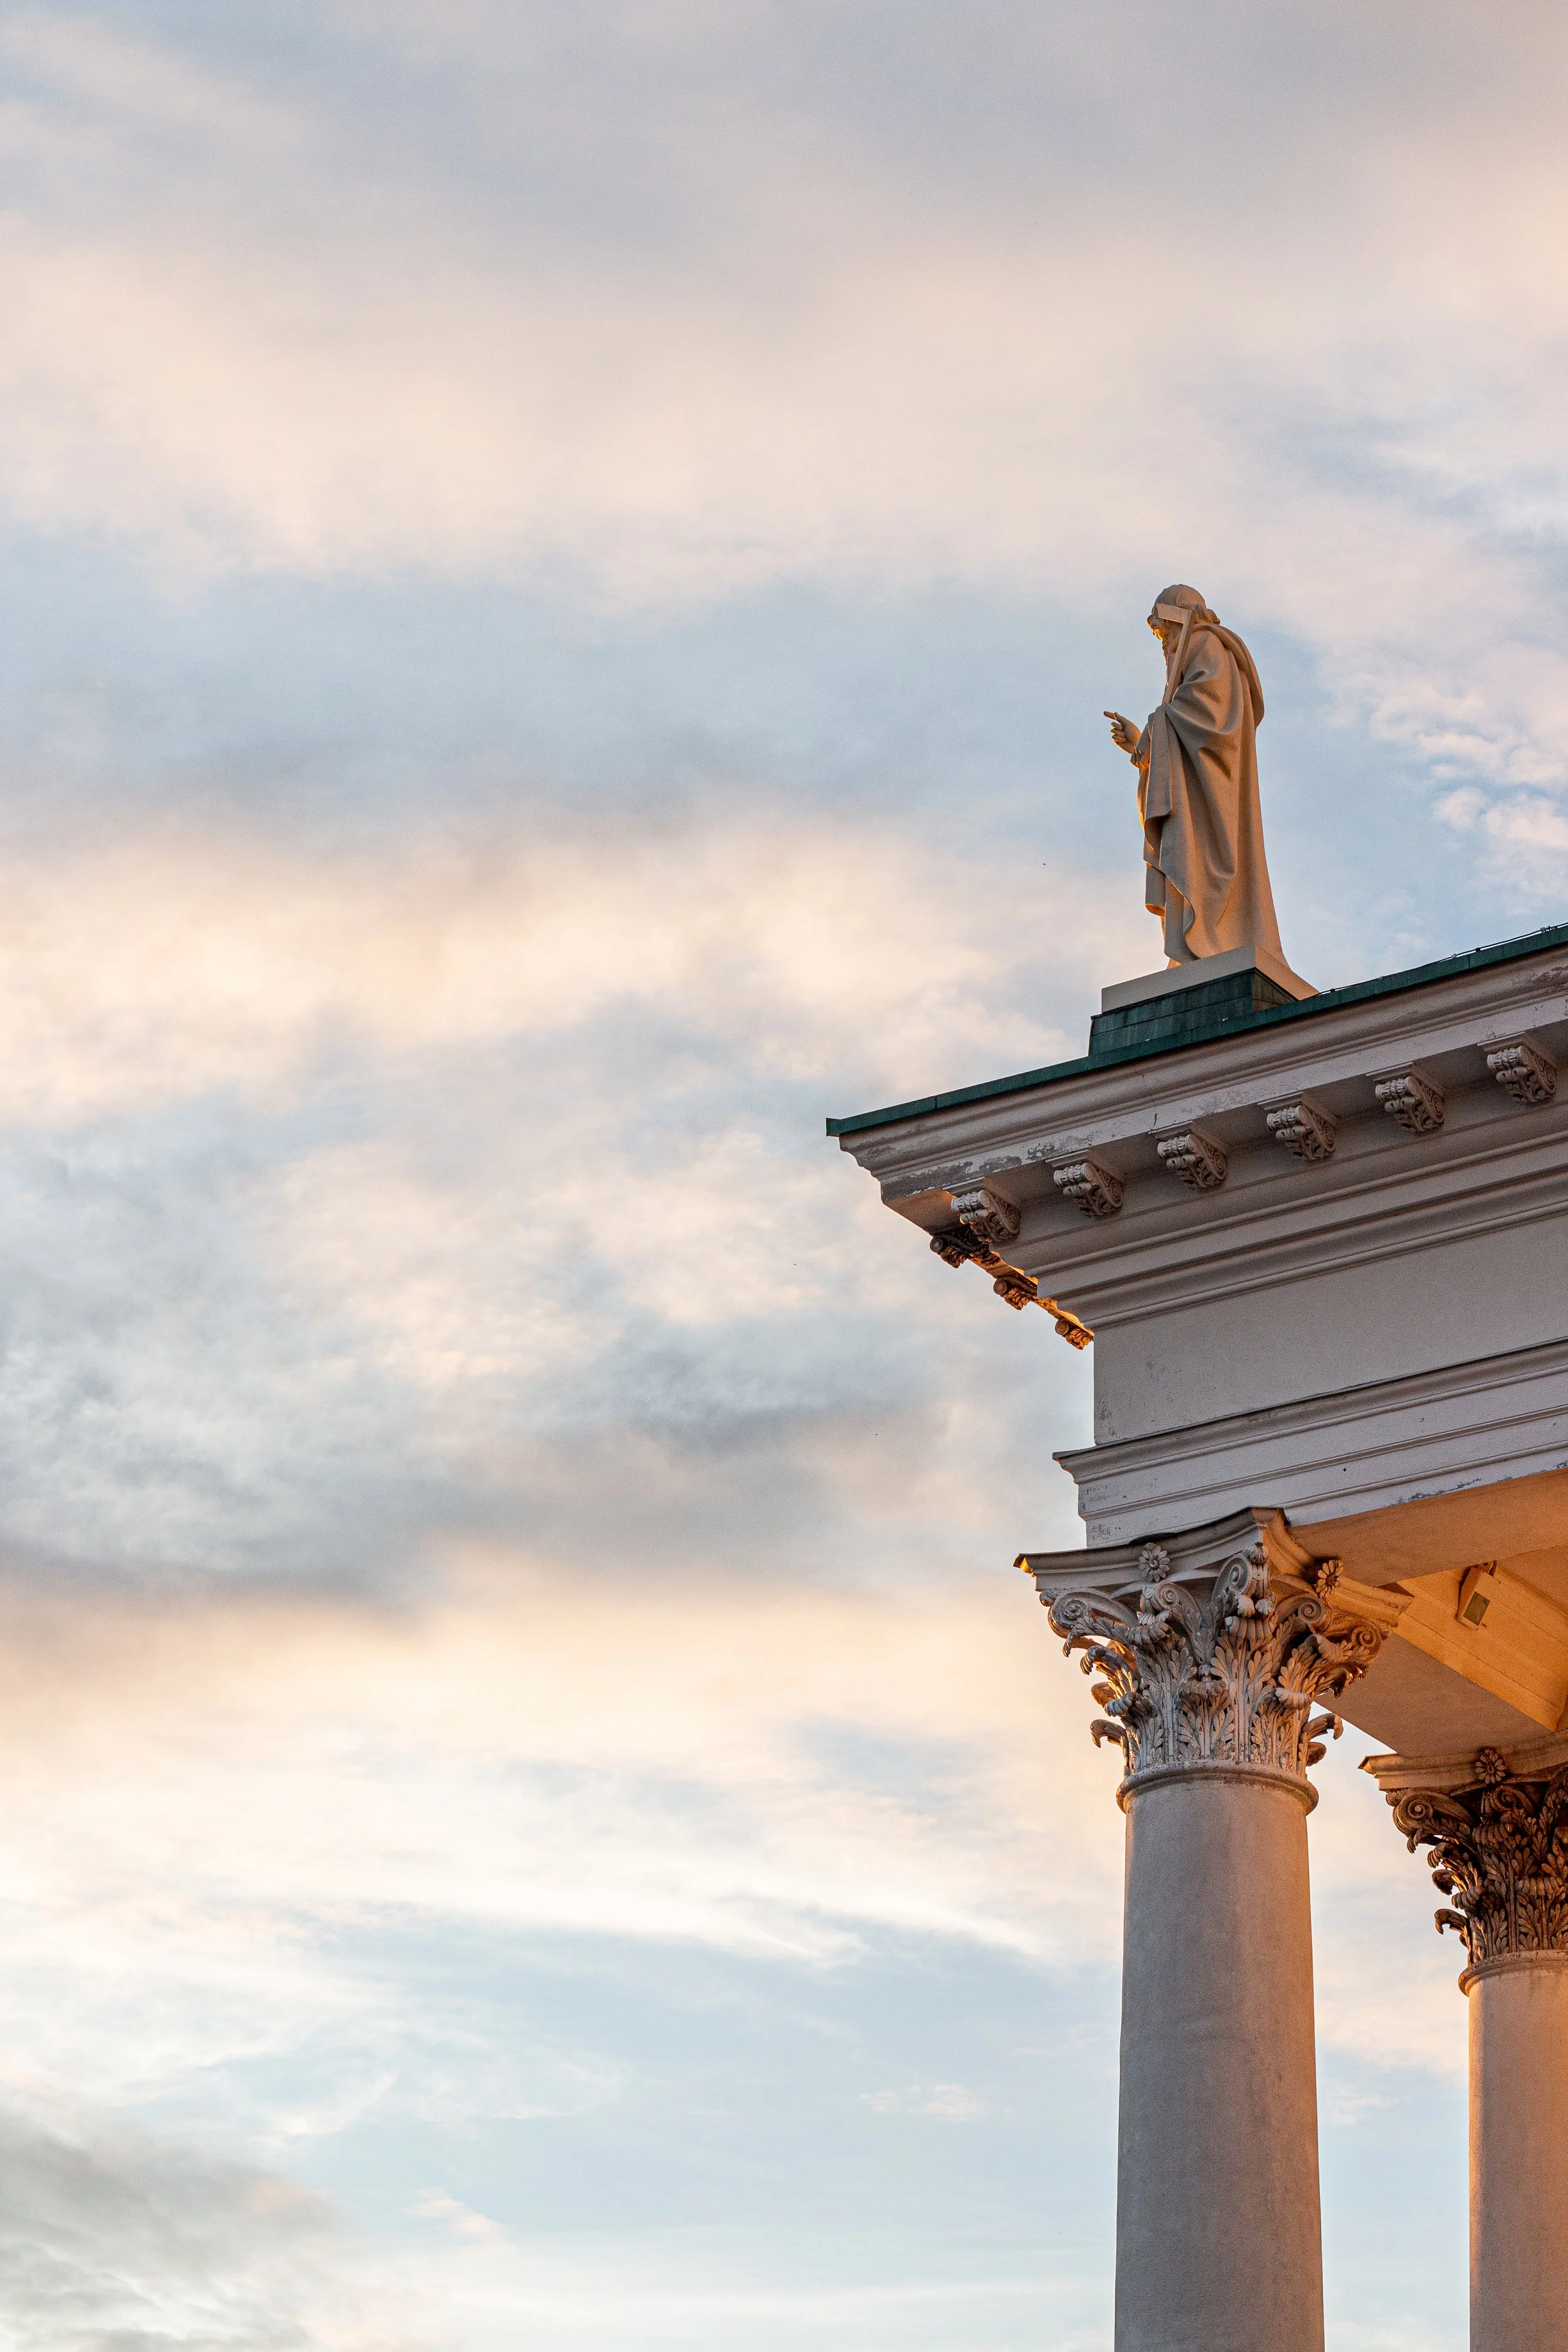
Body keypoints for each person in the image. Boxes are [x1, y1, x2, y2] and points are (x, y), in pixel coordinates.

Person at [1104, 585, 1284, 966]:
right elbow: (1186, 720)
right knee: (1193, 858)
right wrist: (1142, 747)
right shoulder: (1197, 651)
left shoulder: (1204, 643)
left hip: (1209, 792)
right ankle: (1196, 947)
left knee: (1201, 859)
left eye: (1162, 630)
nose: (1163, 641)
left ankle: (1208, 940)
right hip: (1198, 782)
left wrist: (1151, 735)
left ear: (1177, 617)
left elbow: (1206, 713)